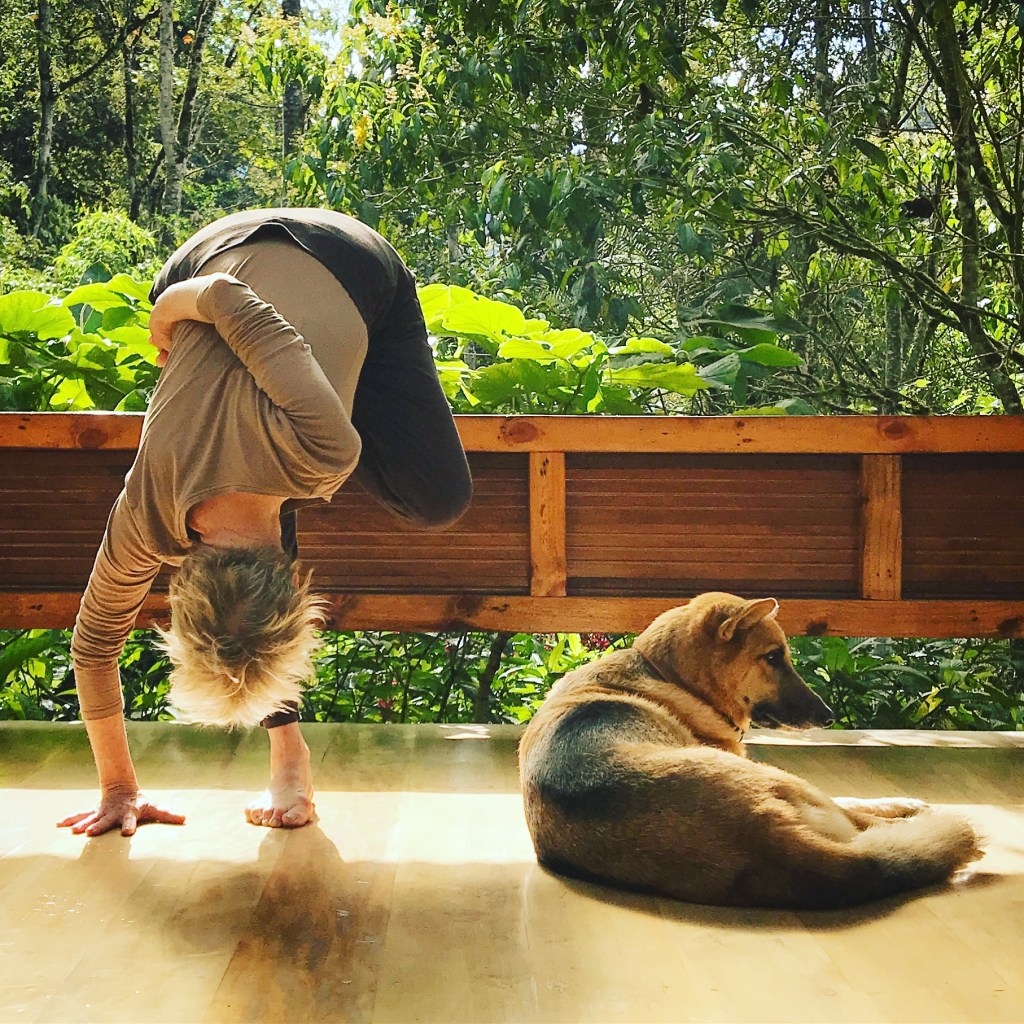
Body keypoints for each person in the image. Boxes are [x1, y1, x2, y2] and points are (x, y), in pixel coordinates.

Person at [58, 208, 472, 837]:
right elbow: (91, 645)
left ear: (300, 587)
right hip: (199, 268)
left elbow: (225, 296)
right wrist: (119, 788)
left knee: (438, 498)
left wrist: (169, 310)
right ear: (177, 594)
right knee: (285, 476)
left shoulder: (327, 454)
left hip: (331, 253)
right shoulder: (146, 521)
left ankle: (309, 381)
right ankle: (289, 754)